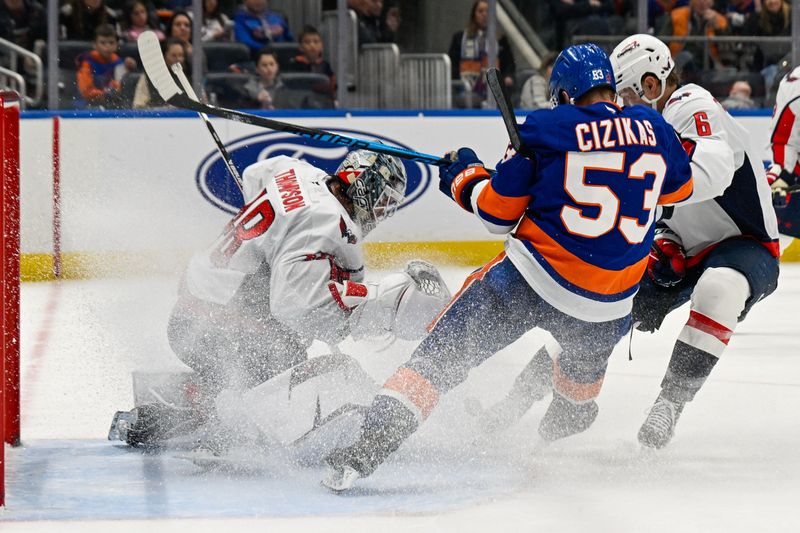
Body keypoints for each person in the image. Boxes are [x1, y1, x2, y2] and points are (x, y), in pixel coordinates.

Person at [322, 43, 694, 491]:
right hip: (609, 307)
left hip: (529, 283)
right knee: (578, 389)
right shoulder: (652, 124)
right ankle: (571, 412)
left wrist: (463, 176)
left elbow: (497, 213)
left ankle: (368, 447)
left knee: (439, 359)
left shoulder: (545, 128)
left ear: (562, 93)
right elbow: (681, 187)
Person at [109, 150, 451, 448]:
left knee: (281, 346)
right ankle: (209, 419)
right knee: (285, 362)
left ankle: (189, 396)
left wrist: (278, 234)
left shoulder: (298, 172)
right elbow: (293, 307)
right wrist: (370, 306)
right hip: (209, 330)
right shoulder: (326, 224)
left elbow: (254, 176)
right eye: (384, 201)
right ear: (366, 188)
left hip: (192, 306)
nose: (382, 212)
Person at [610, 34, 780, 449]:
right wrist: (664, 237)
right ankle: (536, 393)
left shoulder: (691, 105)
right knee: (603, 299)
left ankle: (670, 402)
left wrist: (649, 207)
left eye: (626, 94)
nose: (617, 106)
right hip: (684, 248)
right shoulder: (634, 129)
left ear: (652, 86)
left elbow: (708, 173)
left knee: (718, 289)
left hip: (746, 245)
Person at [448, 0, 515, 107]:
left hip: (495, 92)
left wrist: (507, 77)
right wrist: (458, 82)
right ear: (474, 14)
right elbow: (453, 64)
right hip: (465, 92)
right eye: (480, 11)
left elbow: (509, 64)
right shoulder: (460, 38)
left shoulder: (501, 39)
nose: (484, 15)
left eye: (488, 11)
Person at [766, 64, 800, 239]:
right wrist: (783, 176)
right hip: (797, 171)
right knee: (777, 238)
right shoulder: (796, 85)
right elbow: (784, 140)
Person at [75, 24, 136, 109]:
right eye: (103, 43)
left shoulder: (118, 62)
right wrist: (106, 94)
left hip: (111, 105)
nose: (107, 46)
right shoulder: (87, 61)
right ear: (94, 44)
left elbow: (121, 87)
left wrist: (128, 70)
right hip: (86, 107)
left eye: (111, 42)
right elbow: (86, 91)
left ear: (116, 45)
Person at [132, 37, 186, 108]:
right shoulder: (149, 77)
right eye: (173, 56)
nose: (178, 59)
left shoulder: (193, 76)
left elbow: (202, 104)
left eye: (180, 55)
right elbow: (138, 106)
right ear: (164, 57)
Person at [285, 25, 336, 96]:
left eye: (316, 42)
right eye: (307, 42)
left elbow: (332, 87)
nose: (312, 45)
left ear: (322, 46)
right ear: (300, 47)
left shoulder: (325, 66)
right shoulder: (294, 64)